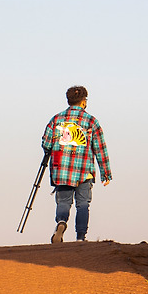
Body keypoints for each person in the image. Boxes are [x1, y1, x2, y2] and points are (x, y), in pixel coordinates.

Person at [42, 85, 112, 243]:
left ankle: (61, 223)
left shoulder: (56, 119)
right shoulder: (91, 121)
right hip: (84, 171)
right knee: (83, 204)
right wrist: (106, 173)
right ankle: (80, 237)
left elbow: (46, 143)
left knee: (64, 201)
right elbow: (100, 148)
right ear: (83, 102)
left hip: (62, 171)